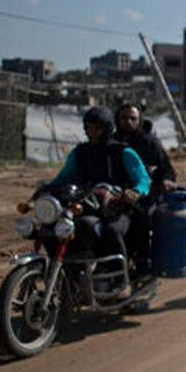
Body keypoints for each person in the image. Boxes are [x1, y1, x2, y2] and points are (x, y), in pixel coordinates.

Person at [49, 106, 150, 275]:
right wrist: (46, 189)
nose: (92, 132)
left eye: (97, 128)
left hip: (117, 208)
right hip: (85, 205)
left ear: (107, 128)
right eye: (89, 127)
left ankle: (120, 275)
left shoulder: (123, 152)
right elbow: (64, 177)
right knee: (56, 228)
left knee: (111, 230)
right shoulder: (80, 153)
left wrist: (136, 191)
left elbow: (143, 179)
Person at [114, 103, 177, 275]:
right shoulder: (111, 142)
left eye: (132, 118)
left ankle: (143, 258)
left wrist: (166, 180)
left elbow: (168, 169)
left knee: (141, 215)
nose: (128, 122)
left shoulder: (150, 143)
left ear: (139, 120)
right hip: (118, 193)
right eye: (124, 118)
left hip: (146, 194)